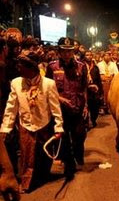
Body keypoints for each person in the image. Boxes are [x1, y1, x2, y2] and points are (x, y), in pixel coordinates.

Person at [0, 51, 63, 192]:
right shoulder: (16, 83)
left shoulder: (48, 84)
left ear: (32, 68)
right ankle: (27, 183)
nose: (18, 68)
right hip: (25, 125)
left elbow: (55, 107)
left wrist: (58, 127)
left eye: (21, 66)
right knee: (27, 155)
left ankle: (42, 177)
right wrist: (5, 128)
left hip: (44, 125)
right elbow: (11, 107)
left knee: (43, 155)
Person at [46, 37, 88, 177]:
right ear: (59, 52)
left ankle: (78, 156)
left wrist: (86, 106)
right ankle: (69, 165)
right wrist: (60, 99)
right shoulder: (52, 67)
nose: (67, 54)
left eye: (69, 51)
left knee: (80, 135)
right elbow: (48, 90)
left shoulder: (81, 66)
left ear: (73, 51)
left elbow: (83, 88)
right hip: (60, 110)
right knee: (63, 138)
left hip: (77, 108)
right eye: (64, 51)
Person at [83, 50, 103, 128]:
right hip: (85, 91)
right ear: (84, 56)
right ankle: (86, 123)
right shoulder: (82, 66)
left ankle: (93, 120)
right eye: (87, 55)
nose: (89, 56)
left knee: (95, 108)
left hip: (95, 92)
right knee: (86, 107)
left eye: (90, 55)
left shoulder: (95, 67)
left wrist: (101, 91)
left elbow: (99, 80)